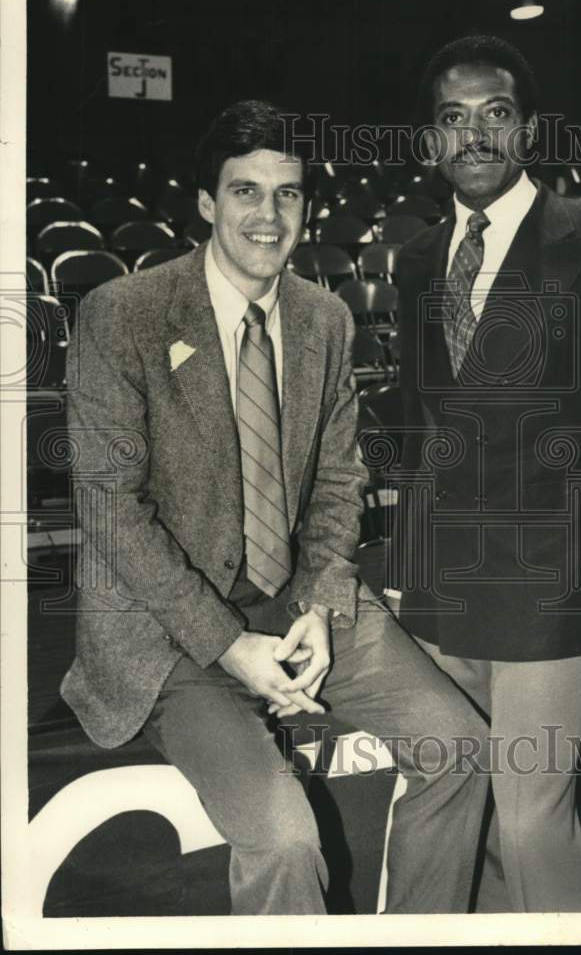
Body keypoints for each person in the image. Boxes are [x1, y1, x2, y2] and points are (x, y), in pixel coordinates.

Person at [60, 99, 490, 915]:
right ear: (206, 204)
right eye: (246, 191)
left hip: (295, 598)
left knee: (462, 748)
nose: (269, 214)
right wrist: (228, 645)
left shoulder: (324, 319)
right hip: (169, 632)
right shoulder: (124, 315)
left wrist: (325, 605)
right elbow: (110, 510)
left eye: (287, 193)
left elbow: (338, 480)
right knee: (287, 837)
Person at [385, 36, 581, 912]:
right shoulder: (420, 258)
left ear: (528, 131)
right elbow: (425, 428)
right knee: (450, 807)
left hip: (553, 593)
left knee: (530, 821)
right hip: (443, 597)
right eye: (452, 119)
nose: (474, 135)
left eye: (494, 114)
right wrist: (403, 578)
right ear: (431, 142)